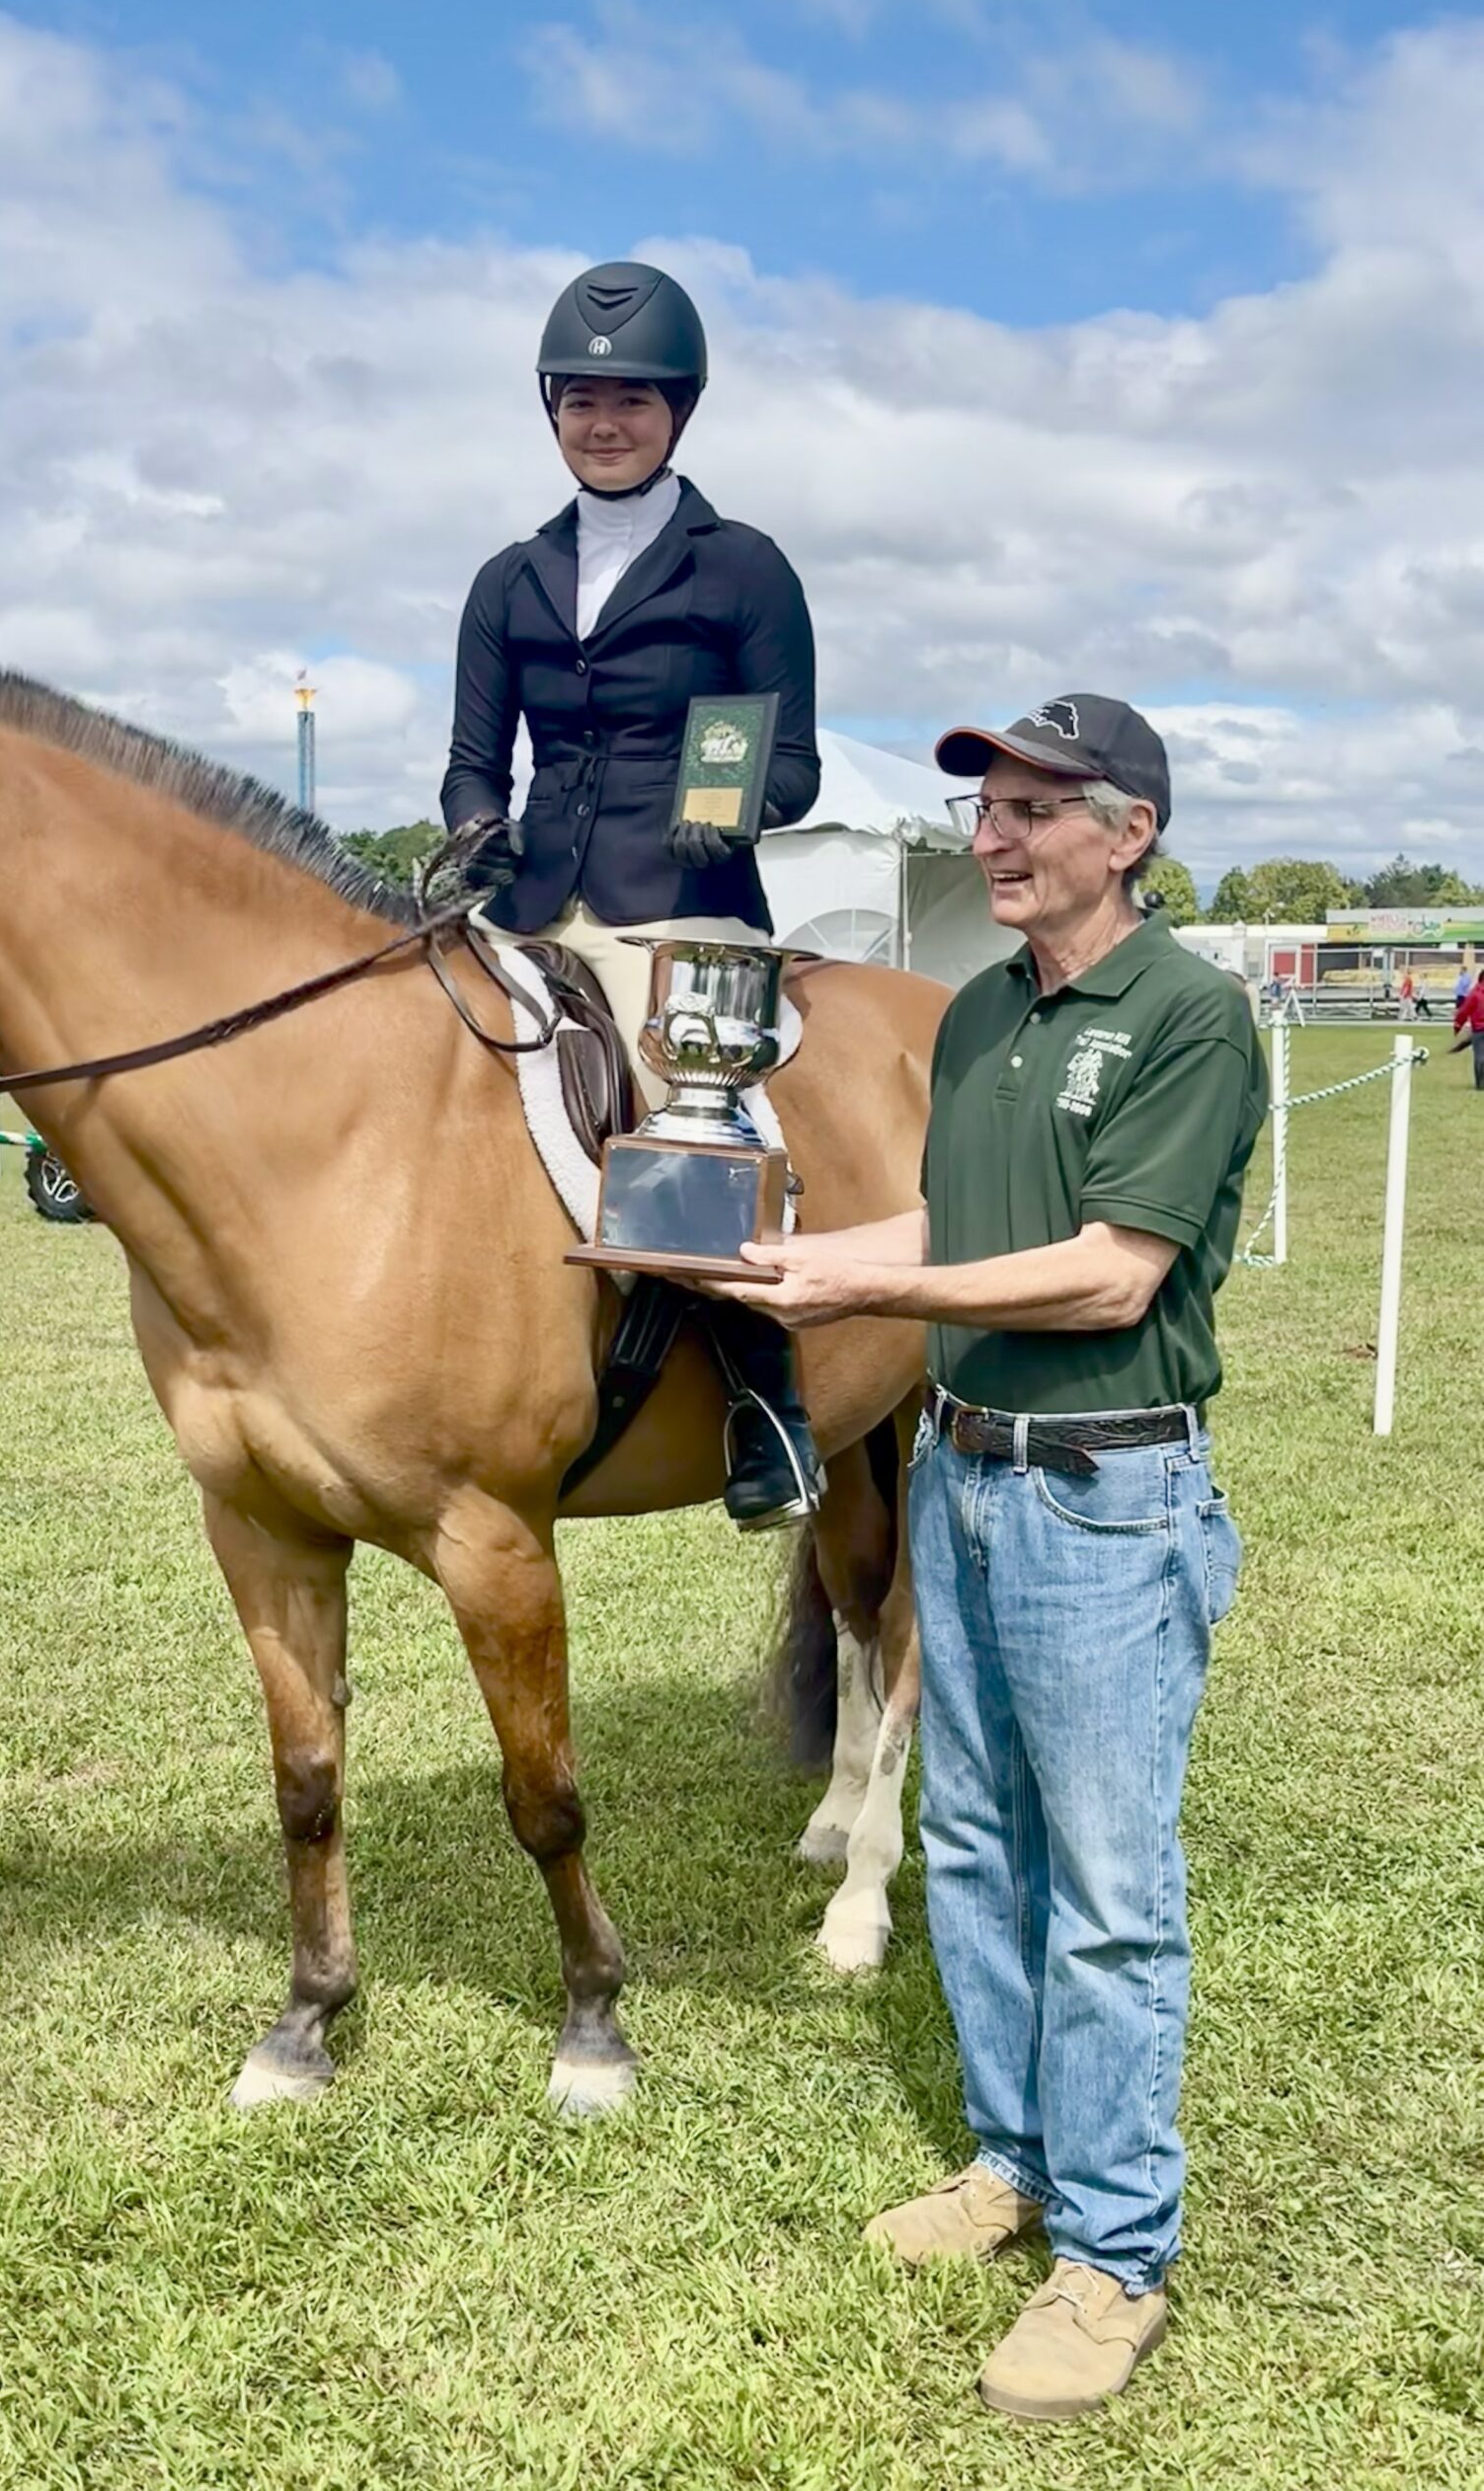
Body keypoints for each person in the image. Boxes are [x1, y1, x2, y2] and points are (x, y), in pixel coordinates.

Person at [706, 694, 1265, 2421]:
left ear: (1128, 834)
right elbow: (962, 1221)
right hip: (961, 1473)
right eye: (985, 810)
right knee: (970, 1848)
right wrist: (788, 1256)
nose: (994, 839)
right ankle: (1014, 2162)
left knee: (1104, 1895)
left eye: (1031, 809)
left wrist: (867, 1286)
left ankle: (1115, 2258)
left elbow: (1108, 1271)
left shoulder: (1188, 1015)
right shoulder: (983, 1019)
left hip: (1107, 1496)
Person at [439, 260, 824, 1527]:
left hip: (680, 896)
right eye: (581, 401)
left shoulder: (744, 569)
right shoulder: (508, 579)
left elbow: (795, 764)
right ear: (551, 409)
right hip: (532, 899)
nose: (603, 423)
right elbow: (472, 762)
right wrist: (475, 830)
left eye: (632, 401)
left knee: (696, 1107)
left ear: (679, 411)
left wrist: (729, 814)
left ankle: (768, 1401)